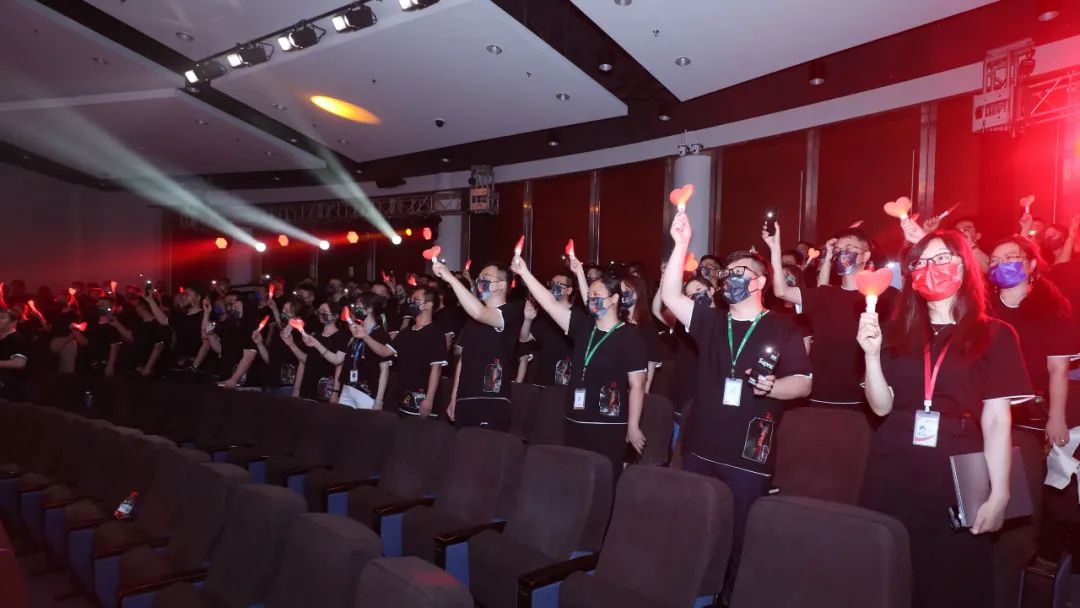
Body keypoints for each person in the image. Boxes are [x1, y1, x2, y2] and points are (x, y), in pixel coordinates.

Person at [856, 230, 1034, 608]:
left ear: (964, 266)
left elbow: (997, 420)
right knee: (885, 573)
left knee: (949, 578)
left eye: (941, 259)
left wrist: (1000, 493)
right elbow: (881, 407)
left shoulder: (994, 333)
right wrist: (871, 356)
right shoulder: (896, 331)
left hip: (956, 463)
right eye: (920, 262)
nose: (929, 268)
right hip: (894, 459)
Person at [662, 213, 812, 596]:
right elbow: (670, 297)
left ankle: (732, 595)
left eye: (740, 272)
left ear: (759, 282)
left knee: (739, 539)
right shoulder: (711, 321)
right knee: (697, 531)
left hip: (748, 455)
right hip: (700, 448)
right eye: (727, 273)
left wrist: (774, 387)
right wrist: (680, 244)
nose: (730, 278)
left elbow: (803, 383)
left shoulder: (783, 327)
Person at [511, 252, 647, 476]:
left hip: (608, 424)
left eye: (597, 295)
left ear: (614, 299)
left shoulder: (630, 336)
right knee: (575, 477)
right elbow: (549, 303)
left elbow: (637, 385)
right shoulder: (584, 327)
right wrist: (524, 273)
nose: (591, 300)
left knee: (603, 479)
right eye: (589, 295)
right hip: (575, 418)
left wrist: (633, 426)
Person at [765, 222, 896, 409]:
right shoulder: (824, 294)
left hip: (863, 403)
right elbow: (781, 291)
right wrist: (774, 248)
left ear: (865, 256)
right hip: (819, 399)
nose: (842, 254)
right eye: (838, 250)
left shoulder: (885, 295)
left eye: (849, 249)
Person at [433, 260, 524, 431]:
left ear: (501, 285)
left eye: (486, 277)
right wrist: (454, 397)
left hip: (492, 400)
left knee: (484, 447)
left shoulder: (510, 312)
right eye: (479, 278)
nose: (480, 281)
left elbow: (480, 312)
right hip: (465, 398)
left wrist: (451, 279)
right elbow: (463, 360)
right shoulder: (472, 321)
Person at [385, 286, 448, 418]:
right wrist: (365, 336)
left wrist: (429, 399)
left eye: (416, 300)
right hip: (402, 398)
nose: (411, 303)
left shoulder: (436, 334)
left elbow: (436, 369)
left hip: (422, 400)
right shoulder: (406, 333)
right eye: (411, 300)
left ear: (428, 305)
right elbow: (385, 352)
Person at [335, 294, 392, 409]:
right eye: (356, 305)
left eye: (359, 305)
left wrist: (379, 400)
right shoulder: (354, 330)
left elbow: (384, 370)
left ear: (370, 308)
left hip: (366, 393)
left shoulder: (381, 334)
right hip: (348, 387)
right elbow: (339, 360)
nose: (356, 308)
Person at [519, 271, 576, 386]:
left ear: (569, 290)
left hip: (566, 380)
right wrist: (527, 320)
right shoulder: (545, 315)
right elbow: (524, 338)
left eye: (559, 284)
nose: (554, 286)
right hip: (542, 379)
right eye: (553, 283)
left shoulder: (576, 315)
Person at [295, 302, 350, 402]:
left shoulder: (342, 337)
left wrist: (335, 391)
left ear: (335, 316)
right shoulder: (315, 334)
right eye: (319, 311)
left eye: (324, 311)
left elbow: (338, 364)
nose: (321, 314)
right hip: (308, 386)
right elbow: (306, 360)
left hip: (325, 389)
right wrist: (290, 344)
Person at [253, 297, 304, 397]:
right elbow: (269, 359)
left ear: (297, 316)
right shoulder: (279, 333)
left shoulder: (300, 336)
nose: (284, 313)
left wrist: (296, 389)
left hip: (287, 388)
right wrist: (259, 344)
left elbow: (302, 363)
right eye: (283, 310)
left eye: (287, 311)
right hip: (270, 384)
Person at [83, 297, 131, 376]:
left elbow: (115, 345)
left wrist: (110, 365)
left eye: (102, 304)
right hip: (92, 364)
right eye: (98, 304)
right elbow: (86, 342)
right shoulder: (93, 323)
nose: (98, 306)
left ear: (111, 308)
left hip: (106, 364)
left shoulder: (114, 324)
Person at [130, 296, 171, 378]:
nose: (135, 308)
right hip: (140, 367)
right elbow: (131, 338)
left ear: (142, 306)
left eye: (137, 305)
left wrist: (148, 367)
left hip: (153, 371)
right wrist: (115, 323)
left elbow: (159, 345)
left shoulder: (156, 324)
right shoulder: (140, 324)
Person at [0, 307, 29, 400]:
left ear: (14, 322)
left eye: (3, 318)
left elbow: (20, 363)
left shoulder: (16, 338)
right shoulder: (3, 338)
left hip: (12, 389)